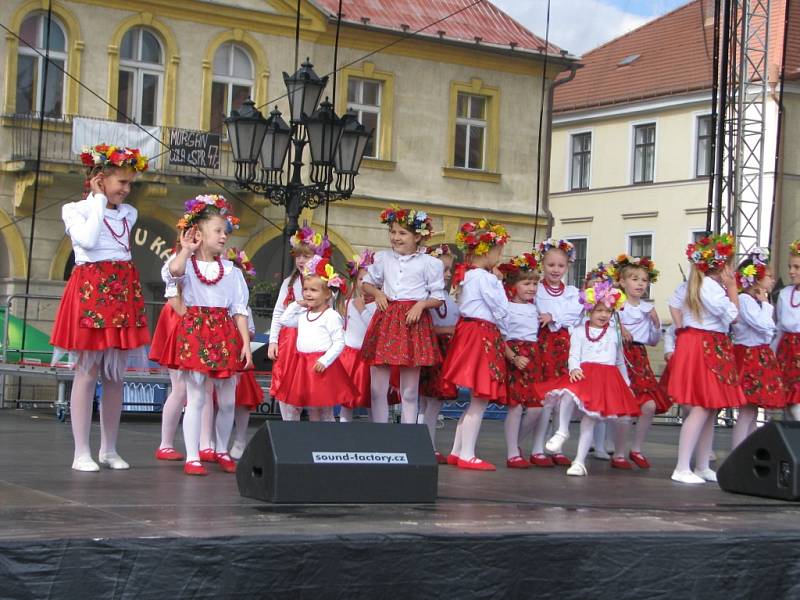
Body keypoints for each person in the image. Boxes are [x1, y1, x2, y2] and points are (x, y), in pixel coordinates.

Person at [50, 144, 150, 472]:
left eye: (129, 183)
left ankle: (109, 448)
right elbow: (90, 240)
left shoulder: (129, 214)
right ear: (99, 179)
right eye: (121, 181)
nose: (126, 189)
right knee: (87, 370)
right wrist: (95, 201)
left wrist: (105, 200)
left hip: (121, 288)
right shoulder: (74, 210)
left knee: (115, 375)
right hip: (91, 286)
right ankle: (81, 451)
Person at [163, 195, 252, 476]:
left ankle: (222, 448)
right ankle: (192, 456)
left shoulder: (232, 272)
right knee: (196, 396)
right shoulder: (186, 264)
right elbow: (173, 274)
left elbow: (239, 310)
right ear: (199, 234)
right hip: (197, 329)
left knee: (226, 400)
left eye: (225, 231)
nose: (224, 236)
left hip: (224, 330)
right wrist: (187, 249)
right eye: (218, 231)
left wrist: (246, 346)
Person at [534, 281, 639, 476]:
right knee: (567, 393)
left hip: (606, 380)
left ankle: (579, 461)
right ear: (590, 310)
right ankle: (562, 430)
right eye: (599, 310)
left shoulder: (614, 333)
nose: (603, 315)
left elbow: (619, 361)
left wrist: (626, 384)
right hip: (584, 374)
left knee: (590, 420)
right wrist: (574, 368)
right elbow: (574, 354)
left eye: (608, 311)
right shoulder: (580, 331)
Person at [668, 233, 745, 484]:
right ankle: (682, 466)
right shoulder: (709, 287)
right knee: (701, 406)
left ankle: (701, 465)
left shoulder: (704, 285)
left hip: (710, 343)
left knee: (710, 408)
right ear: (722, 265)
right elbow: (733, 315)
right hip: (704, 344)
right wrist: (733, 288)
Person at [361, 206, 445, 424]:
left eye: (402, 233)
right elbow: (367, 283)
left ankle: (408, 434)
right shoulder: (383, 258)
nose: (395, 237)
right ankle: (380, 432)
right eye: (393, 232)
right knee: (377, 388)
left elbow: (439, 297)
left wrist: (421, 305)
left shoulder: (430, 263)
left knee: (409, 390)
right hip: (387, 319)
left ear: (417, 236)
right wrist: (378, 292)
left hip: (412, 321)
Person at [441, 219, 510, 471]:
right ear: (487, 251)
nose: (499, 256)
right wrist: (500, 285)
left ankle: (457, 450)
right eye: (499, 252)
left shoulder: (469, 276)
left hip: (470, 332)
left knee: (474, 400)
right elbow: (500, 308)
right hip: (482, 334)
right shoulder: (485, 278)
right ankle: (467, 453)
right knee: (479, 399)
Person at [278, 255, 357, 420]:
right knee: (302, 406)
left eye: (313, 290)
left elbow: (338, 342)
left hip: (320, 365)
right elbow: (284, 320)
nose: (307, 294)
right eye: (305, 289)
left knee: (323, 409)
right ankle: (304, 437)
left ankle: (326, 440)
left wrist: (325, 360)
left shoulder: (331, 316)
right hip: (302, 365)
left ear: (327, 294)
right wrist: (295, 304)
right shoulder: (303, 314)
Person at [614, 254, 670, 469]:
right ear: (622, 281)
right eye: (634, 278)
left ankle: (636, 448)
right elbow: (605, 326)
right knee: (624, 406)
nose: (639, 283)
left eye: (644, 280)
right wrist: (620, 328)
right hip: (620, 355)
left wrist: (656, 325)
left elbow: (653, 341)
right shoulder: (616, 305)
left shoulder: (648, 308)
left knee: (648, 405)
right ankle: (618, 452)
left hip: (639, 355)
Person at [267, 226, 330, 419]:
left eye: (307, 256)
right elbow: (279, 312)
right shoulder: (289, 282)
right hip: (290, 342)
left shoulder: (327, 283)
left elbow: (331, 313)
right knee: (288, 388)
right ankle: (290, 428)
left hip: (315, 342)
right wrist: (273, 341)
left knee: (316, 390)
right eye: (298, 256)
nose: (301, 260)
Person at [531, 239, 582, 467]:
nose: (555, 270)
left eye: (560, 266)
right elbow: (535, 311)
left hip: (565, 346)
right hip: (543, 345)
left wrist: (554, 317)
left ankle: (556, 446)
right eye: (551, 265)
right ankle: (536, 447)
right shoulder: (537, 289)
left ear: (567, 267)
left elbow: (573, 316)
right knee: (546, 399)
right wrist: (551, 318)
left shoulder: (572, 292)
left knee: (563, 398)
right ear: (543, 264)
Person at [731, 249, 784, 448]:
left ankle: (748, 451)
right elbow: (763, 325)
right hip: (748, 356)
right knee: (746, 411)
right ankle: (738, 453)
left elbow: (768, 332)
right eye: (769, 276)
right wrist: (766, 305)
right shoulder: (745, 300)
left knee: (752, 411)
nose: (772, 280)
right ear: (756, 279)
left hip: (759, 354)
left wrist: (764, 306)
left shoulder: (757, 303)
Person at [498, 253, 540, 469]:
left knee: (536, 409)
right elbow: (500, 338)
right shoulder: (506, 307)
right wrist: (513, 358)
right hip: (516, 355)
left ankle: (517, 444)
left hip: (533, 357)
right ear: (514, 285)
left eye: (534, 283)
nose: (532, 288)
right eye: (527, 283)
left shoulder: (535, 307)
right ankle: (512, 452)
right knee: (515, 407)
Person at [418, 244, 460, 462]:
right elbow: (425, 325)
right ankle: (426, 444)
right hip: (431, 350)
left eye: (449, 270)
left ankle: (425, 442)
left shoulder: (446, 296)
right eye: (443, 269)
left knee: (431, 402)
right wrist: (450, 330)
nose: (447, 274)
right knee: (430, 402)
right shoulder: (425, 296)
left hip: (444, 351)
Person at [150, 250, 187, 462]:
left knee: (200, 389)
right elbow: (174, 297)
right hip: (182, 318)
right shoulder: (176, 262)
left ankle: (205, 444)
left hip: (197, 320)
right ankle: (165, 444)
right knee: (180, 386)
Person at [338, 250, 377, 423]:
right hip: (350, 356)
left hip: (368, 357)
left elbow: (373, 327)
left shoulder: (377, 305)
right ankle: (343, 430)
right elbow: (343, 326)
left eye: (368, 280)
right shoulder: (347, 303)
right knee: (347, 399)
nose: (364, 283)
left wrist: (362, 309)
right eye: (361, 279)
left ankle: (376, 433)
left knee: (372, 398)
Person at [776, 240, 800, 421]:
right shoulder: (785, 294)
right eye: (790, 267)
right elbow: (779, 328)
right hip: (787, 351)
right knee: (789, 398)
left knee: (796, 399)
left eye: (797, 267)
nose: (791, 272)